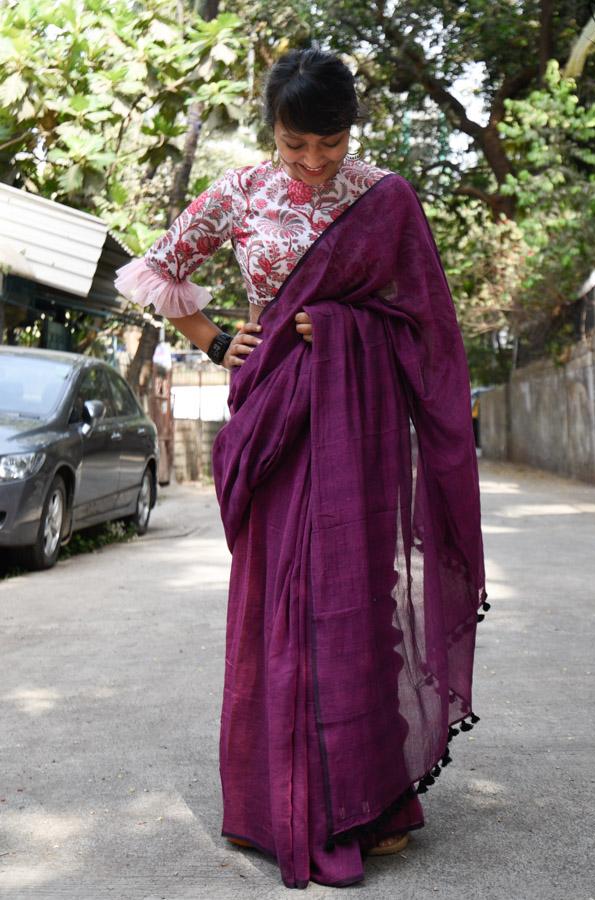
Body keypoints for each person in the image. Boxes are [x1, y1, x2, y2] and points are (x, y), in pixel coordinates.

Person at [114, 46, 488, 891]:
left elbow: (426, 323)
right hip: (275, 418)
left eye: (330, 143)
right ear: (271, 132)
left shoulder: (384, 198)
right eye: (295, 145)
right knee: (277, 599)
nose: (314, 162)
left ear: (350, 130)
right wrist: (217, 338)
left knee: (354, 600)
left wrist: (349, 327)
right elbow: (157, 269)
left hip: (357, 426)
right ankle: (273, 797)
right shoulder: (240, 192)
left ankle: (370, 797)